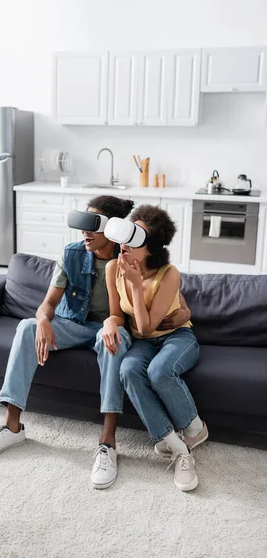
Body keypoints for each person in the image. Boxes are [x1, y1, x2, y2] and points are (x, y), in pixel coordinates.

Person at [0, 196, 191, 488]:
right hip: (71, 325)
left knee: (113, 339)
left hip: (108, 329)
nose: (84, 233)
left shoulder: (126, 259)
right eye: (82, 224)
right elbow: (47, 303)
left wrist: (180, 312)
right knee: (26, 328)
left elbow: (154, 295)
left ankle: (107, 443)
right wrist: (44, 321)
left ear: (112, 229)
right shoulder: (71, 254)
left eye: (92, 226)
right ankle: (12, 426)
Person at [98, 204, 207, 492]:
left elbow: (147, 327)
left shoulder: (168, 274)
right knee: (129, 368)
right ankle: (178, 448)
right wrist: (110, 322)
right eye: (126, 235)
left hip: (176, 337)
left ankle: (195, 427)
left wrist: (135, 284)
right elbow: (119, 316)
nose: (125, 244)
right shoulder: (113, 268)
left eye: (136, 239)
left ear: (150, 249)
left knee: (159, 371)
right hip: (143, 343)